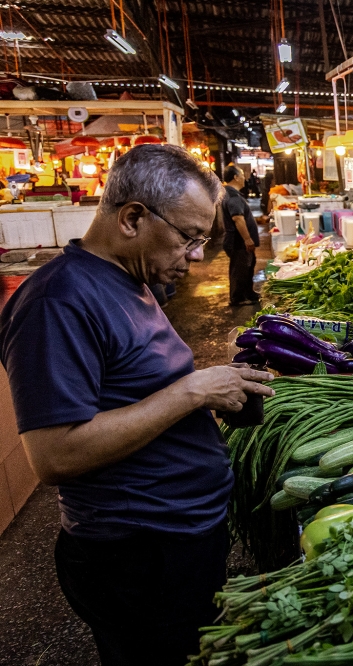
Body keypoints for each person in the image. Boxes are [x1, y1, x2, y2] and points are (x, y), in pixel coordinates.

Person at [0, 144, 275, 666]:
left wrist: (212, 393)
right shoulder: (57, 302)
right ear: (131, 218)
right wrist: (192, 391)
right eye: (188, 237)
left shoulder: (131, 279)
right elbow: (54, 455)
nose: (195, 255)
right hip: (137, 555)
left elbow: (134, 390)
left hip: (177, 539)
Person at [222, 165, 261, 306]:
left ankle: (248, 293)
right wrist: (247, 239)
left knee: (248, 266)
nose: (245, 178)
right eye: (242, 175)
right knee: (240, 269)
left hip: (240, 241)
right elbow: (237, 218)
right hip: (238, 241)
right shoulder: (232, 196)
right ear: (236, 177)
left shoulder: (232, 194)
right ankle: (238, 298)